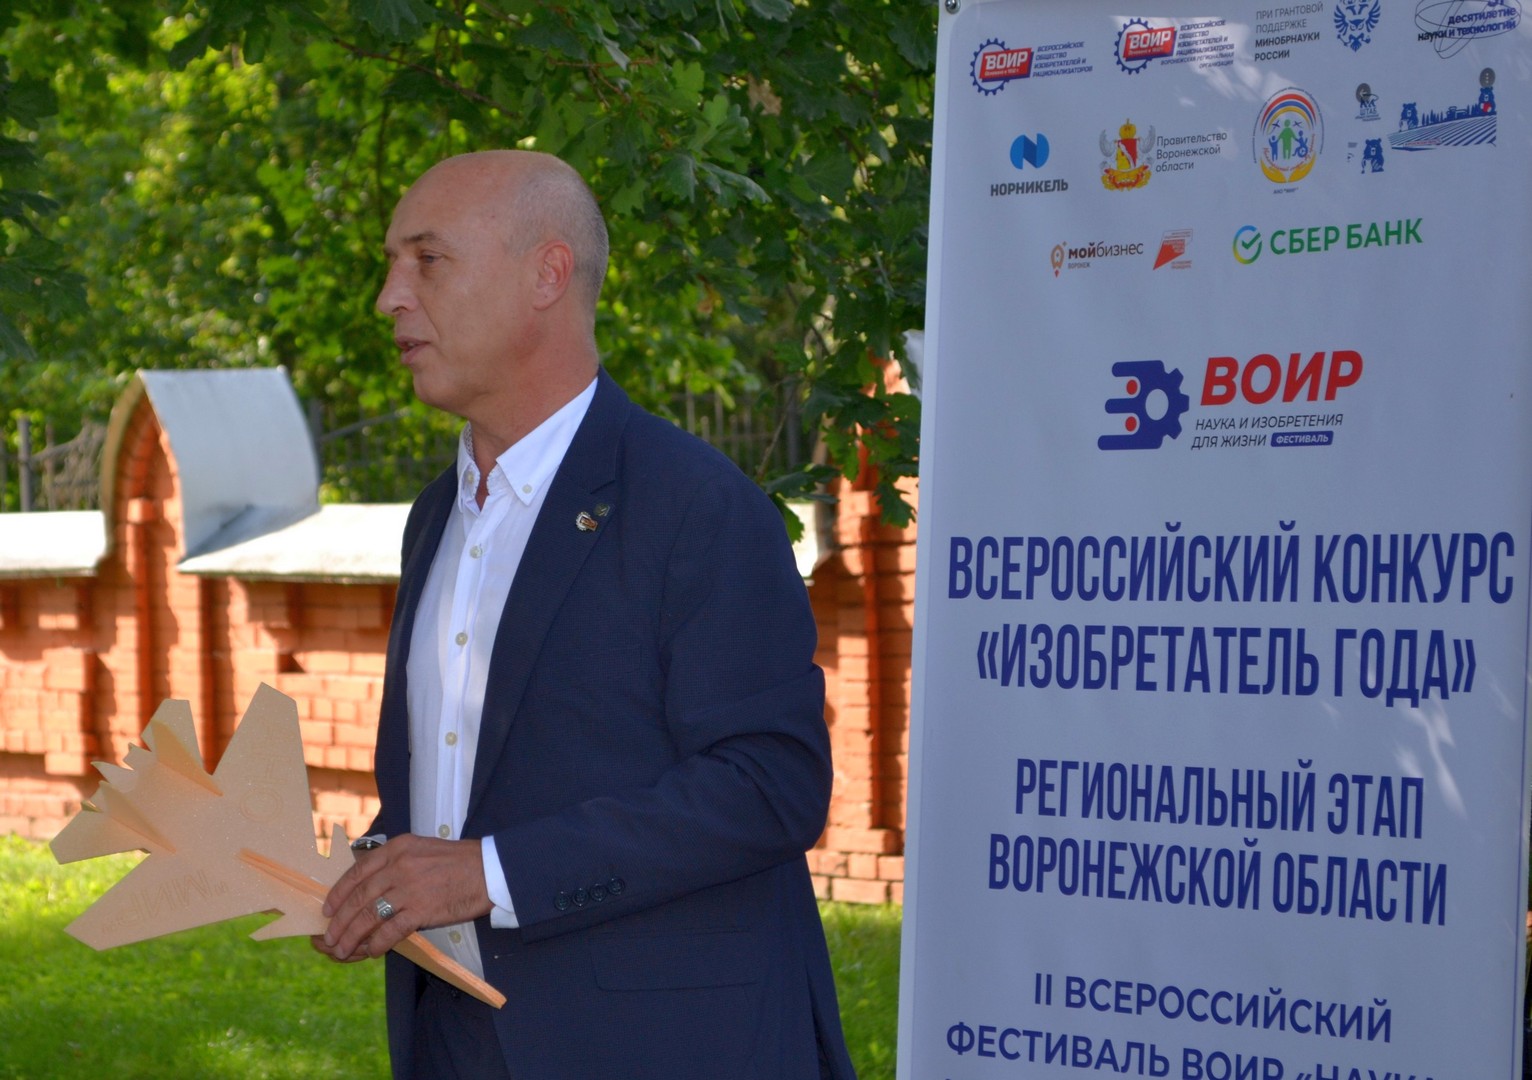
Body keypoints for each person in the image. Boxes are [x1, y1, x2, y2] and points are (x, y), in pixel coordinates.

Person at [311, 149, 857, 1080]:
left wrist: (488, 874)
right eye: (391, 264)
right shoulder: (436, 515)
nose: (389, 298)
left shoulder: (696, 504)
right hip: (456, 1038)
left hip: (659, 1046)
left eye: (427, 260)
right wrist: (372, 878)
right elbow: (479, 777)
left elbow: (771, 784)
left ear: (547, 274)